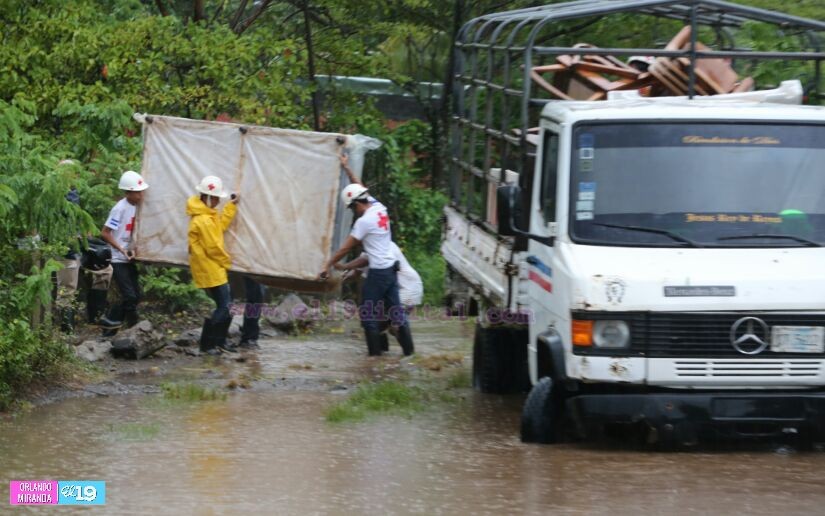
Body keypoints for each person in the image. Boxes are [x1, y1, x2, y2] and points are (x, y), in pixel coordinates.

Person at [319, 154, 414, 357]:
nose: (353, 211)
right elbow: (359, 186)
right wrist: (347, 168)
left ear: (355, 205)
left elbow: (344, 248)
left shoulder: (363, 222)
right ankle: (410, 355)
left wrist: (328, 265)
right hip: (390, 269)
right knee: (396, 313)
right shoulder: (379, 208)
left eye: (352, 208)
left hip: (378, 273)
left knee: (368, 314)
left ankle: (374, 359)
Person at [187, 175, 239, 356]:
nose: (217, 201)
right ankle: (207, 345)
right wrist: (228, 262)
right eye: (216, 198)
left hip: (214, 266)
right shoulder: (202, 220)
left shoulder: (208, 215)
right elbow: (213, 247)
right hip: (209, 267)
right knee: (225, 307)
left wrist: (231, 206)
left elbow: (220, 227)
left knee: (227, 307)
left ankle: (219, 342)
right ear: (207, 197)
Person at [338, 241, 423, 351]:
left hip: (407, 286)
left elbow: (364, 261)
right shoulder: (366, 253)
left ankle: (410, 356)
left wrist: (344, 266)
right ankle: (383, 355)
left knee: (394, 325)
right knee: (379, 322)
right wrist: (338, 278)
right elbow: (355, 274)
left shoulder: (385, 245)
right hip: (396, 288)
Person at [100, 170, 149, 333]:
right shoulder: (119, 209)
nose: (141, 196)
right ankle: (123, 326)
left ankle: (116, 326)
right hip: (118, 259)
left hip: (130, 258)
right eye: (137, 193)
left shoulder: (138, 207)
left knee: (135, 295)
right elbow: (105, 233)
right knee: (130, 296)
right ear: (128, 192)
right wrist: (121, 249)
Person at [239, 276, 264, 349]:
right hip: (253, 271)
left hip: (260, 271)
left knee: (256, 302)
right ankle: (249, 338)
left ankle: (248, 338)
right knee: (254, 301)